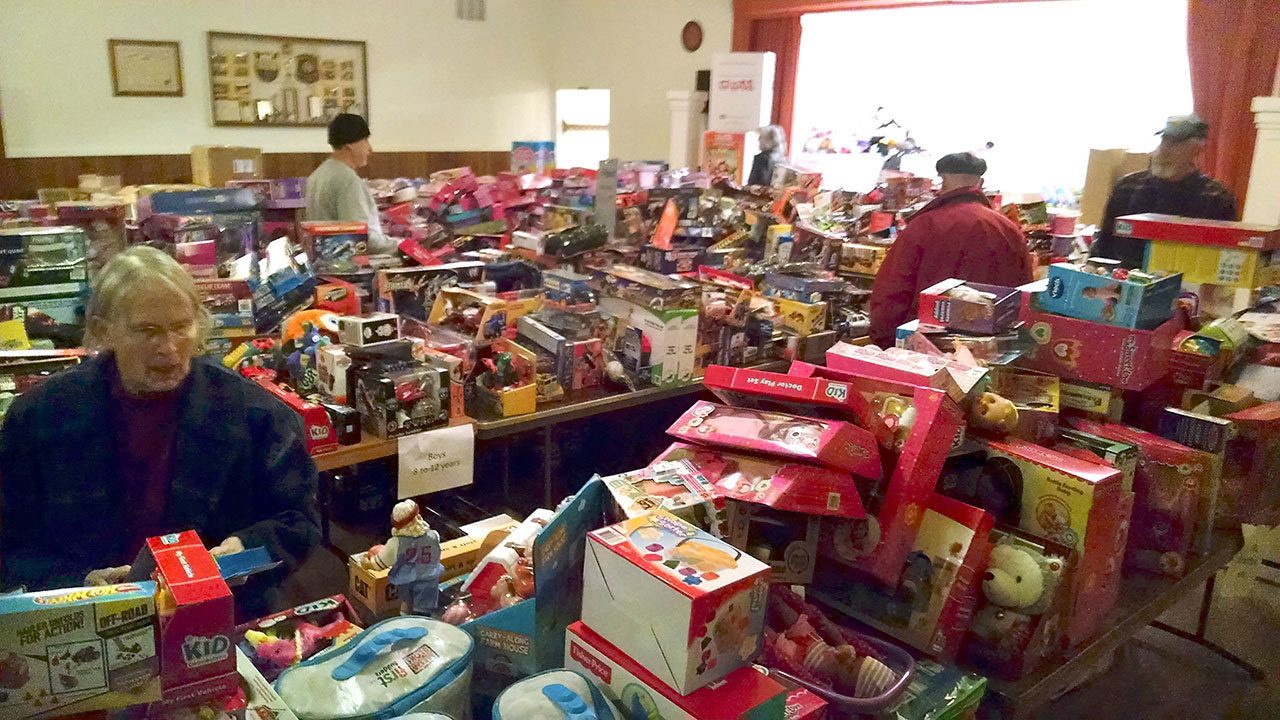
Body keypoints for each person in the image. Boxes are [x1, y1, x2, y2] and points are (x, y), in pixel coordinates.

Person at [0, 247, 319, 615]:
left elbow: (298, 520)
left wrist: (244, 548)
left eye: (181, 327)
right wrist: (78, 583)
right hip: (81, 622)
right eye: (147, 331)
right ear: (104, 330)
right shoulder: (39, 419)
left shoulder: (255, 415)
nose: (168, 348)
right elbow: (12, 545)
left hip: (219, 615)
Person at [869, 152, 1034, 347]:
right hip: (994, 348)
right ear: (980, 183)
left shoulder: (924, 225)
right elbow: (1024, 294)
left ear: (943, 181)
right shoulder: (1009, 229)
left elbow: (893, 291)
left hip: (927, 346)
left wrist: (885, 342)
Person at [1092, 114, 1237, 268]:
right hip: (1123, 279)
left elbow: (1221, 259)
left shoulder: (1216, 197)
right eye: (1163, 140)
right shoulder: (1127, 186)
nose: (1164, 150)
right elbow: (1103, 246)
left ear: (1197, 149)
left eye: (1175, 143)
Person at [305, 112, 395, 254]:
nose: (370, 148)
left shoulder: (318, 174)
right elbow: (359, 236)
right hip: (345, 261)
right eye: (365, 140)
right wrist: (401, 245)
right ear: (351, 144)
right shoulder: (348, 181)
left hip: (324, 258)